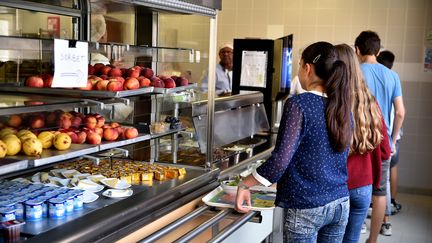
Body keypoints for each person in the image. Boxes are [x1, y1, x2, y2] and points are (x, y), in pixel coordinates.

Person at [235, 41, 353, 242]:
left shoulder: (299, 104)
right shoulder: (342, 105)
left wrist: (245, 184)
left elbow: (280, 160)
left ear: (308, 68)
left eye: (299, 65)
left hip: (306, 206)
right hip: (340, 202)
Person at [335, 44, 391, 243]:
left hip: (335, 186)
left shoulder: (332, 103)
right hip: (362, 188)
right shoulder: (370, 103)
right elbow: (385, 151)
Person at [355, 30, 405, 241]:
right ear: (378, 50)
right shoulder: (392, 75)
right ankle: (373, 239)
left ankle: (354, 233)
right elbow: (401, 112)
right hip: (382, 141)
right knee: (379, 190)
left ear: (357, 50)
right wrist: (392, 140)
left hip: (358, 140)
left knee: (356, 187)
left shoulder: (355, 72)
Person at [377, 50, 403, 215]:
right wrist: (394, 140)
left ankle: (377, 211)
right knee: (390, 170)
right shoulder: (394, 78)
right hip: (395, 134)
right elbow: (400, 112)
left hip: (383, 135)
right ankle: (391, 203)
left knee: (379, 180)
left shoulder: (378, 78)